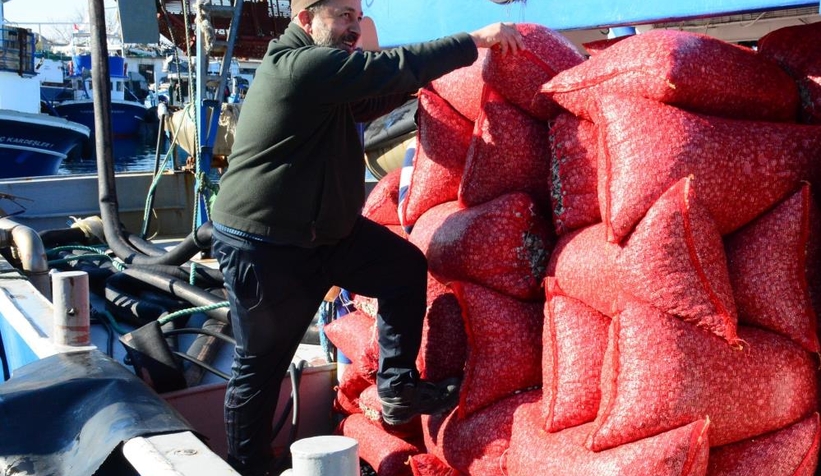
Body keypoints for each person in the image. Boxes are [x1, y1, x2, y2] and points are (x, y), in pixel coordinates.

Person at [209, 1, 524, 474]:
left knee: (403, 269)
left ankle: (397, 387)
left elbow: (370, 96)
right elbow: (387, 67)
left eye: (357, 17)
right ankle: (247, 466)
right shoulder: (298, 65)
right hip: (267, 248)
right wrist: (472, 41)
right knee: (261, 369)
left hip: (326, 237)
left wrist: (421, 83)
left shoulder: (324, 74)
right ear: (305, 20)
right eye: (341, 16)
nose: (353, 28)